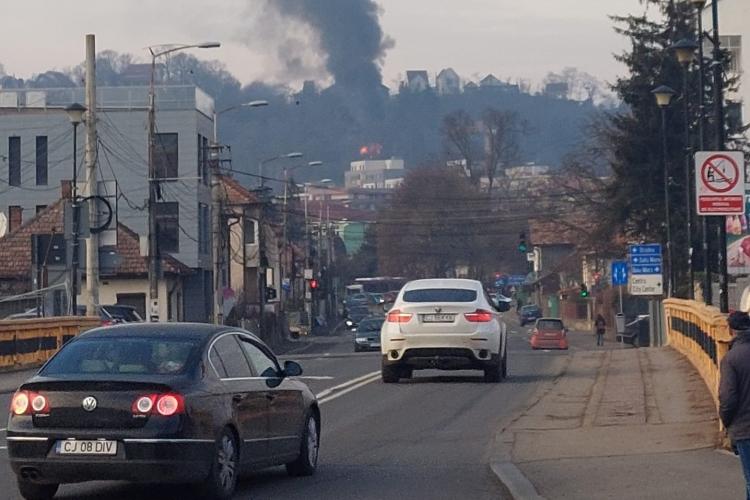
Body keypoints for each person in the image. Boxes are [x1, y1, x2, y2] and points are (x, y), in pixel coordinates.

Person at [719, 310, 750, 499]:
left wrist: (726, 422)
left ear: (731, 330)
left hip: (745, 428)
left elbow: (728, 398)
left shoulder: (731, 359)